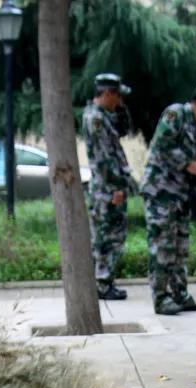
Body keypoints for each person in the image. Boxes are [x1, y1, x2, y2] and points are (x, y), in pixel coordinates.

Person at [140, 79, 196, 315]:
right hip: (161, 193)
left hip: (180, 197)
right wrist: (187, 163)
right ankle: (161, 297)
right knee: (162, 246)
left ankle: (180, 294)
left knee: (179, 248)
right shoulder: (175, 114)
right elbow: (160, 147)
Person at [83, 73, 138, 301]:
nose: (119, 101)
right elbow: (104, 158)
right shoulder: (95, 119)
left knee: (110, 234)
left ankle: (104, 281)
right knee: (108, 236)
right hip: (107, 189)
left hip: (108, 187)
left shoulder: (103, 116)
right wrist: (116, 187)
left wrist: (120, 108)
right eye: (117, 97)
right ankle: (102, 283)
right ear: (106, 94)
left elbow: (124, 129)